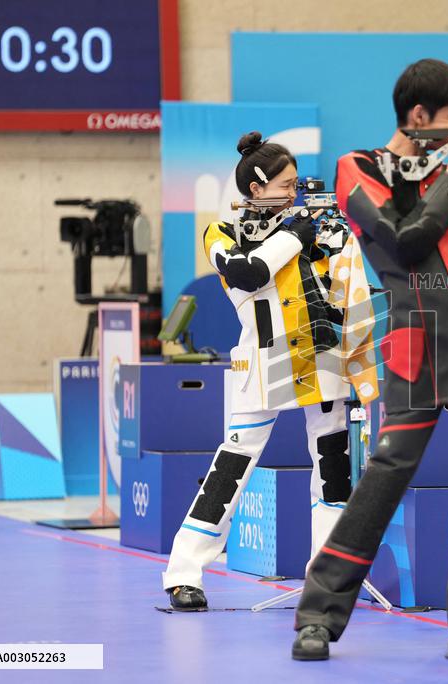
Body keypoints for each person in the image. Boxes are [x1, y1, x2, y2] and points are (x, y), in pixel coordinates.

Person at [292, 58, 448, 660]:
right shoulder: (359, 168)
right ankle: (318, 613)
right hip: (419, 349)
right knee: (384, 479)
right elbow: (406, 239)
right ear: (418, 117)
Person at [162, 133, 378, 609]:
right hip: (262, 366)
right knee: (230, 470)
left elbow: (352, 293)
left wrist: (327, 236)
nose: (295, 194)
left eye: (298, 184)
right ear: (256, 189)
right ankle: (184, 571)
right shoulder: (222, 232)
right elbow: (246, 273)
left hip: (324, 366)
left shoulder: (321, 227)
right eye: (286, 185)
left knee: (333, 472)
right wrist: (295, 235)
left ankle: (326, 578)